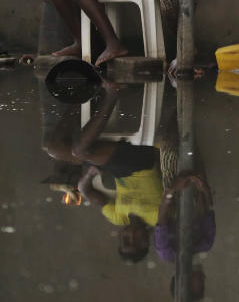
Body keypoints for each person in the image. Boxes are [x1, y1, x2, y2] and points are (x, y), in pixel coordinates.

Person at [43, 78, 163, 263]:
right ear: (146, 241)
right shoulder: (157, 219)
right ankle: (111, 94)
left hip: (115, 166)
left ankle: (87, 93)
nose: (129, 236)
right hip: (141, 162)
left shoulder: (117, 217)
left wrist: (90, 174)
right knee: (79, 151)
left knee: (55, 148)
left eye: (124, 240)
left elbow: (85, 190)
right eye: (134, 241)